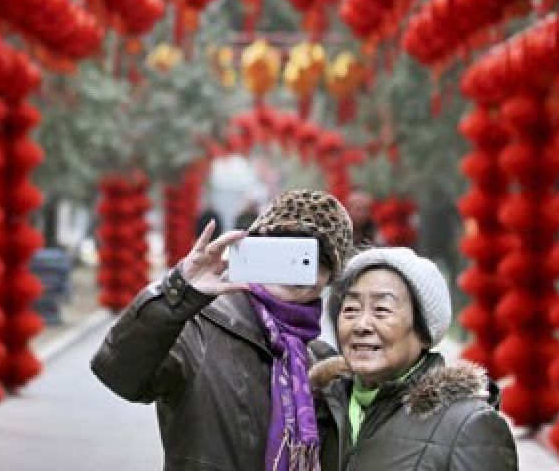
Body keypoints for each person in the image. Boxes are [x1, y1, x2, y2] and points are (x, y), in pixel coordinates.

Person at [91, 189, 354, 470]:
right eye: (286, 250)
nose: (298, 269)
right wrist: (177, 293)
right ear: (256, 250)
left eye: (317, 260)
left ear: (329, 280)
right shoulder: (197, 327)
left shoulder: (322, 365)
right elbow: (118, 373)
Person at [310, 247, 517, 470]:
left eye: (381, 309)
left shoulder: (469, 425)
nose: (361, 325)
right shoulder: (319, 409)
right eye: (351, 309)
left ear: (424, 332)